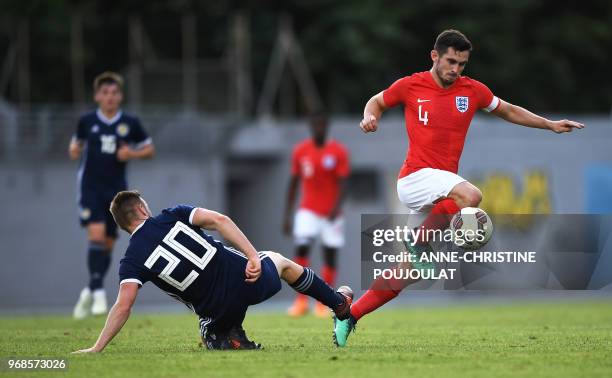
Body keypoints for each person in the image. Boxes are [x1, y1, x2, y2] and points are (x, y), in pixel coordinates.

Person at [333, 29, 584, 347]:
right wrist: (369, 117)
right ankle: (418, 242)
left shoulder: (473, 91)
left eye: (462, 64)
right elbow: (377, 101)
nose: (456, 69)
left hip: (438, 190)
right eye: (451, 61)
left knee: (408, 273)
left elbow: (507, 110)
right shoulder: (411, 85)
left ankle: (349, 316)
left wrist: (548, 124)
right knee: (471, 196)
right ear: (434, 56)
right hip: (414, 179)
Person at [72, 190, 353, 352]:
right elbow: (219, 220)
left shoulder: (131, 259)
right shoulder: (173, 214)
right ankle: (339, 305)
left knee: (209, 316)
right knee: (279, 261)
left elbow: (124, 305)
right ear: (143, 208)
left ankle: (226, 333)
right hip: (248, 282)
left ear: (123, 225)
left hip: (214, 310)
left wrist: (97, 347)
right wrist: (253, 256)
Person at [69, 72, 155, 319]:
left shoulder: (129, 122)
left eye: (114, 93)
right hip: (90, 188)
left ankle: (90, 287)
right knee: (95, 235)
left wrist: (132, 154)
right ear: (97, 96)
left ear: (120, 96)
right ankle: (98, 292)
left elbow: (149, 149)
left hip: (117, 193)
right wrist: (74, 150)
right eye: (105, 93)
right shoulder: (86, 121)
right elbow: (75, 148)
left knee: (107, 243)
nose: (110, 97)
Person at [282, 115, 350, 317]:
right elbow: (293, 183)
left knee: (330, 255)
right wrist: (287, 215)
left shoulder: (337, 151)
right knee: (301, 248)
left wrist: (335, 208)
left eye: (322, 124)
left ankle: (323, 302)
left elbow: (345, 184)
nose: (319, 127)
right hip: (307, 210)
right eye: (315, 124)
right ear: (311, 126)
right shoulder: (301, 151)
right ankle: (301, 301)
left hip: (332, 214)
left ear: (326, 126)